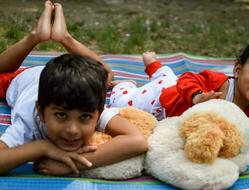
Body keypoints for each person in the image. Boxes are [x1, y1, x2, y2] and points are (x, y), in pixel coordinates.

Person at [0, 1, 147, 176]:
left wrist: (77, 164)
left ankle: (64, 37)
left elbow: (138, 141)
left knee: (105, 74)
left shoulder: (89, 104)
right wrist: (41, 147)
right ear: (40, 112)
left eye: (84, 118)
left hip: (56, 80)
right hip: (20, 79)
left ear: (98, 113)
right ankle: (34, 36)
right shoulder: (29, 123)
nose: (72, 130)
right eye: (61, 115)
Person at [110, 38, 249, 170]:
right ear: (237, 70)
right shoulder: (219, 83)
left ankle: (155, 67)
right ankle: (124, 85)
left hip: (172, 85)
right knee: (124, 101)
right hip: (162, 102)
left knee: (168, 78)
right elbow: (188, 79)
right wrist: (196, 97)